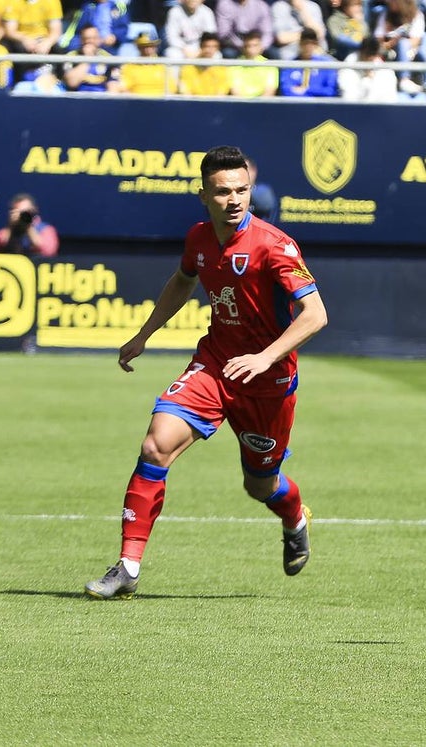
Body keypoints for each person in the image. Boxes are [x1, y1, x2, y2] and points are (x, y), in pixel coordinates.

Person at [84, 144, 328, 600]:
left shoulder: (275, 246)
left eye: (241, 190)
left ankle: (295, 516)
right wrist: (144, 335)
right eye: (222, 192)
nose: (234, 200)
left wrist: (265, 357)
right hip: (214, 365)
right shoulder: (198, 239)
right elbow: (182, 281)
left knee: (260, 486)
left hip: (268, 382)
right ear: (203, 195)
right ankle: (128, 568)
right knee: (155, 446)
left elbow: (315, 314)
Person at [375, 0, 425, 95]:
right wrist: (390, 43)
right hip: (388, 51)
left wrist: (397, 41)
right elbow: (379, 40)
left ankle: (405, 80)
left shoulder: (416, 15)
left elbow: (415, 41)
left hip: (410, 51)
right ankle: (402, 80)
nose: (389, 2)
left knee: (404, 43)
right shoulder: (386, 15)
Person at [0, 193, 59, 257]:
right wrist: (10, 227)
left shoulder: (46, 229)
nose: (23, 215)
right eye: (19, 212)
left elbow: (48, 252)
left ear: (34, 210)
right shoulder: (6, 231)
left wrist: (28, 226)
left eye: (25, 212)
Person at [279, 27, 338, 95]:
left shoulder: (325, 65)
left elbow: (329, 91)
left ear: (316, 44)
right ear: (300, 43)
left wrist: (307, 90)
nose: (308, 46)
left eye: (312, 43)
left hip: (318, 104)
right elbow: (285, 89)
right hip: (296, 103)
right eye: (305, 42)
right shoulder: (290, 65)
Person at [61, 23, 120, 92]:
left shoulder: (108, 58)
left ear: (99, 39)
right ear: (81, 40)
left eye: (94, 38)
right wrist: (87, 59)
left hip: (102, 97)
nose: (90, 41)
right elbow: (71, 83)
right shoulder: (71, 56)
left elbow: (113, 87)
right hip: (78, 97)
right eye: (86, 38)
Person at [339, 35, 398, 100]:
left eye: (373, 54)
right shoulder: (350, 62)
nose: (370, 57)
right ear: (362, 51)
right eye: (368, 53)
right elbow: (348, 94)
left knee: (389, 74)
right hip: (356, 103)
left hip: (376, 104)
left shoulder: (379, 64)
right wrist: (367, 78)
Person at [117, 30, 172, 94]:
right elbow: (123, 87)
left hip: (160, 101)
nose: (147, 49)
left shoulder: (164, 66)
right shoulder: (129, 67)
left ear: (156, 46)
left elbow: (171, 88)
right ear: (138, 47)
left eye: (151, 45)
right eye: (143, 46)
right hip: (137, 101)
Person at [229, 29, 279, 96]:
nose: (251, 49)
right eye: (248, 46)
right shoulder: (234, 66)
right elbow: (235, 91)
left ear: (261, 47)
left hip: (262, 105)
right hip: (240, 105)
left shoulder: (270, 65)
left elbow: (270, 91)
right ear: (243, 48)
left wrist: (259, 105)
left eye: (255, 45)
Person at [246, 156, 278, 222]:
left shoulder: (263, 191)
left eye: (245, 170)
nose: (240, 174)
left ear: (254, 171)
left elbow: (265, 204)